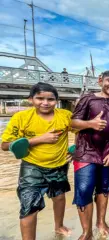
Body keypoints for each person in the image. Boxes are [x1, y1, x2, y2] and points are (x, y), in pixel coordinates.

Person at [1, 82, 72, 240]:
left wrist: (76, 150)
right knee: (29, 206)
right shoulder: (21, 117)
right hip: (32, 167)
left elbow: (80, 130)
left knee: (59, 197)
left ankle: (59, 226)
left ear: (57, 100)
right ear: (31, 99)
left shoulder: (65, 115)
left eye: (50, 99)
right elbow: (5, 145)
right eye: (40, 98)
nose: (45, 103)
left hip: (59, 165)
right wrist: (38, 139)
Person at [71, 70, 109, 239]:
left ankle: (100, 221)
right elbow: (72, 123)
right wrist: (91, 124)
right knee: (84, 190)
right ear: (100, 80)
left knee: (103, 189)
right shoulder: (88, 98)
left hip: (107, 152)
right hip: (85, 152)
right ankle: (86, 232)